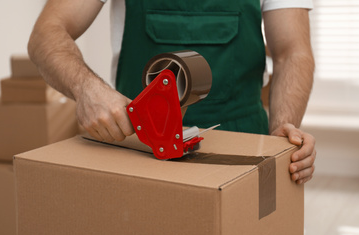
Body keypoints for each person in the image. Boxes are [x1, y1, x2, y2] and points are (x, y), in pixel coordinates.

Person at [28, 0, 316, 184]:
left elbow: (292, 53)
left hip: (246, 145)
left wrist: (283, 129)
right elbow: (47, 33)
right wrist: (86, 88)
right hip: (139, 147)